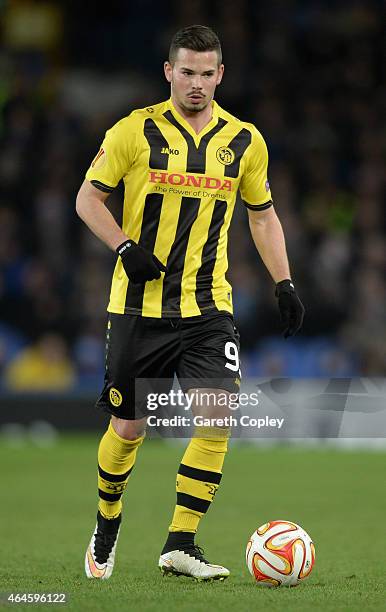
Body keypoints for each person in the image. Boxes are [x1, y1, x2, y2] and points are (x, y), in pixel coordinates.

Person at [76, 24, 304, 582]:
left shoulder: (245, 141)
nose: (197, 83)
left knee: (217, 417)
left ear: (220, 74)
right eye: (187, 72)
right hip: (138, 306)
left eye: (207, 73)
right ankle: (107, 521)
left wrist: (284, 282)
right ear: (168, 72)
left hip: (208, 307)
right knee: (129, 430)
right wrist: (125, 246)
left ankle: (181, 542)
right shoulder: (134, 131)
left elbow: (263, 213)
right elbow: (87, 198)